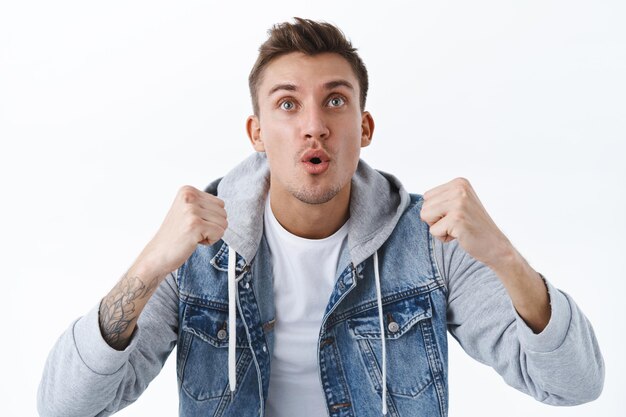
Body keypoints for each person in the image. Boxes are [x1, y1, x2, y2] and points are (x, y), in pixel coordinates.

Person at [38, 17, 604, 417]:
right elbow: (61, 406)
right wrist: (147, 270)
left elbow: (575, 385)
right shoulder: (198, 250)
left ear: (364, 128)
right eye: (288, 103)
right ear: (257, 133)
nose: (314, 125)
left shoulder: (429, 244)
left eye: (335, 100)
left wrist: (505, 257)